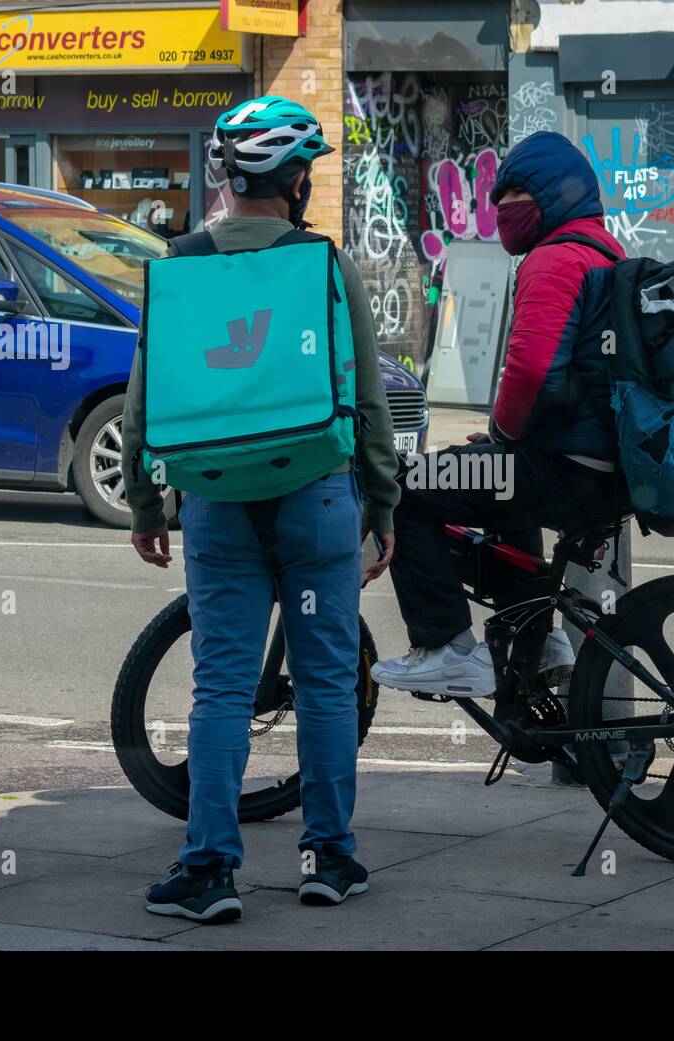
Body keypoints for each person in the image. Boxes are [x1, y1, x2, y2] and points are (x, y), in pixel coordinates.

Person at [120, 97, 400, 922]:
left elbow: (143, 404)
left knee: (222, 690)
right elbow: (369, 400)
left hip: (213, 499)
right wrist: (381, 502)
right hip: (317, 495)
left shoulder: (178, 263)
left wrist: (145, 504)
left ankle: (208, 870)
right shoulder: (322, 263)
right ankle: (330, 857)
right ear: (295, 181)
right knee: (322, 684)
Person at [372, 130, 627, 699]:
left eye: (511, 193)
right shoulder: (605, 252)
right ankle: (541, 638)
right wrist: (503, 443)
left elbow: (533, 373)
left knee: (407, 488)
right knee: (498, 479)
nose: (498, 207)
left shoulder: (555, 261)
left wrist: (502, 431)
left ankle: (446, 648)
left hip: (568, 467)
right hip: (596, 467)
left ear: (550, 197)